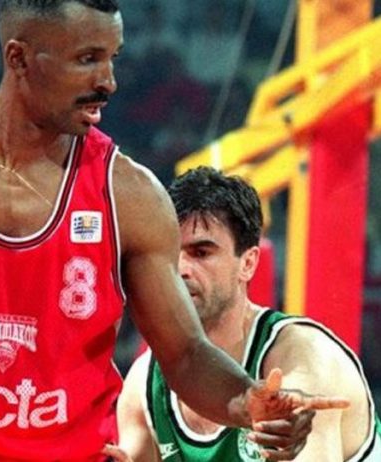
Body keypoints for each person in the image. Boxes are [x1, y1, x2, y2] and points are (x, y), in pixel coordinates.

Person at [0, 2, 347, 461]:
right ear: (19, 58)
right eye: (87, 59)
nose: (108, 81)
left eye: (112, 59)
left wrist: (247, 401)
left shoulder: (129, 195)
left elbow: (186, 355)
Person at [116, 167, 381, 461]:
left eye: (201, 253)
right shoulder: (143, 383)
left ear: (248, 263)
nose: (181, 269)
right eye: (171, 253)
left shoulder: (304, 359)